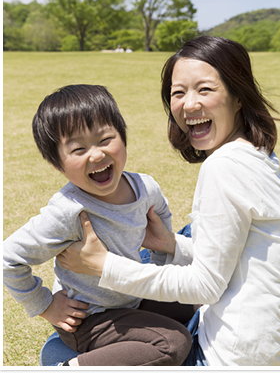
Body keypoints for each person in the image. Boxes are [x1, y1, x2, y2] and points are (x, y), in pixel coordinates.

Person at [57, 36, 280, 366]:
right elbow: (241, 257)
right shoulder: (261, 155)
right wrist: (171, 244)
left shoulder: (223, 167)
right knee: (181, 237)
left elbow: (206, 286)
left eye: (205, 90)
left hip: (231, 357)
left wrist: (104, 267)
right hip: (275, 349)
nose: (189, 105)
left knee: (148, 318)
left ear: (238, 96)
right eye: (178, 92)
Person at [3, 84, 195, 366]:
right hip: (91, 318)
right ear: (59, 165)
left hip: (132, 297)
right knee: (174, 343)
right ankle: (70, 365)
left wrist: (158, 263)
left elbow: (161, 219)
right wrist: (45, 305)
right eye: (78, 149)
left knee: (199, 293)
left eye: (105, 139)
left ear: (123, 137)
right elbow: (9, 258)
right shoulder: (68, 210)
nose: (96, 155)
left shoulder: (145, 187)